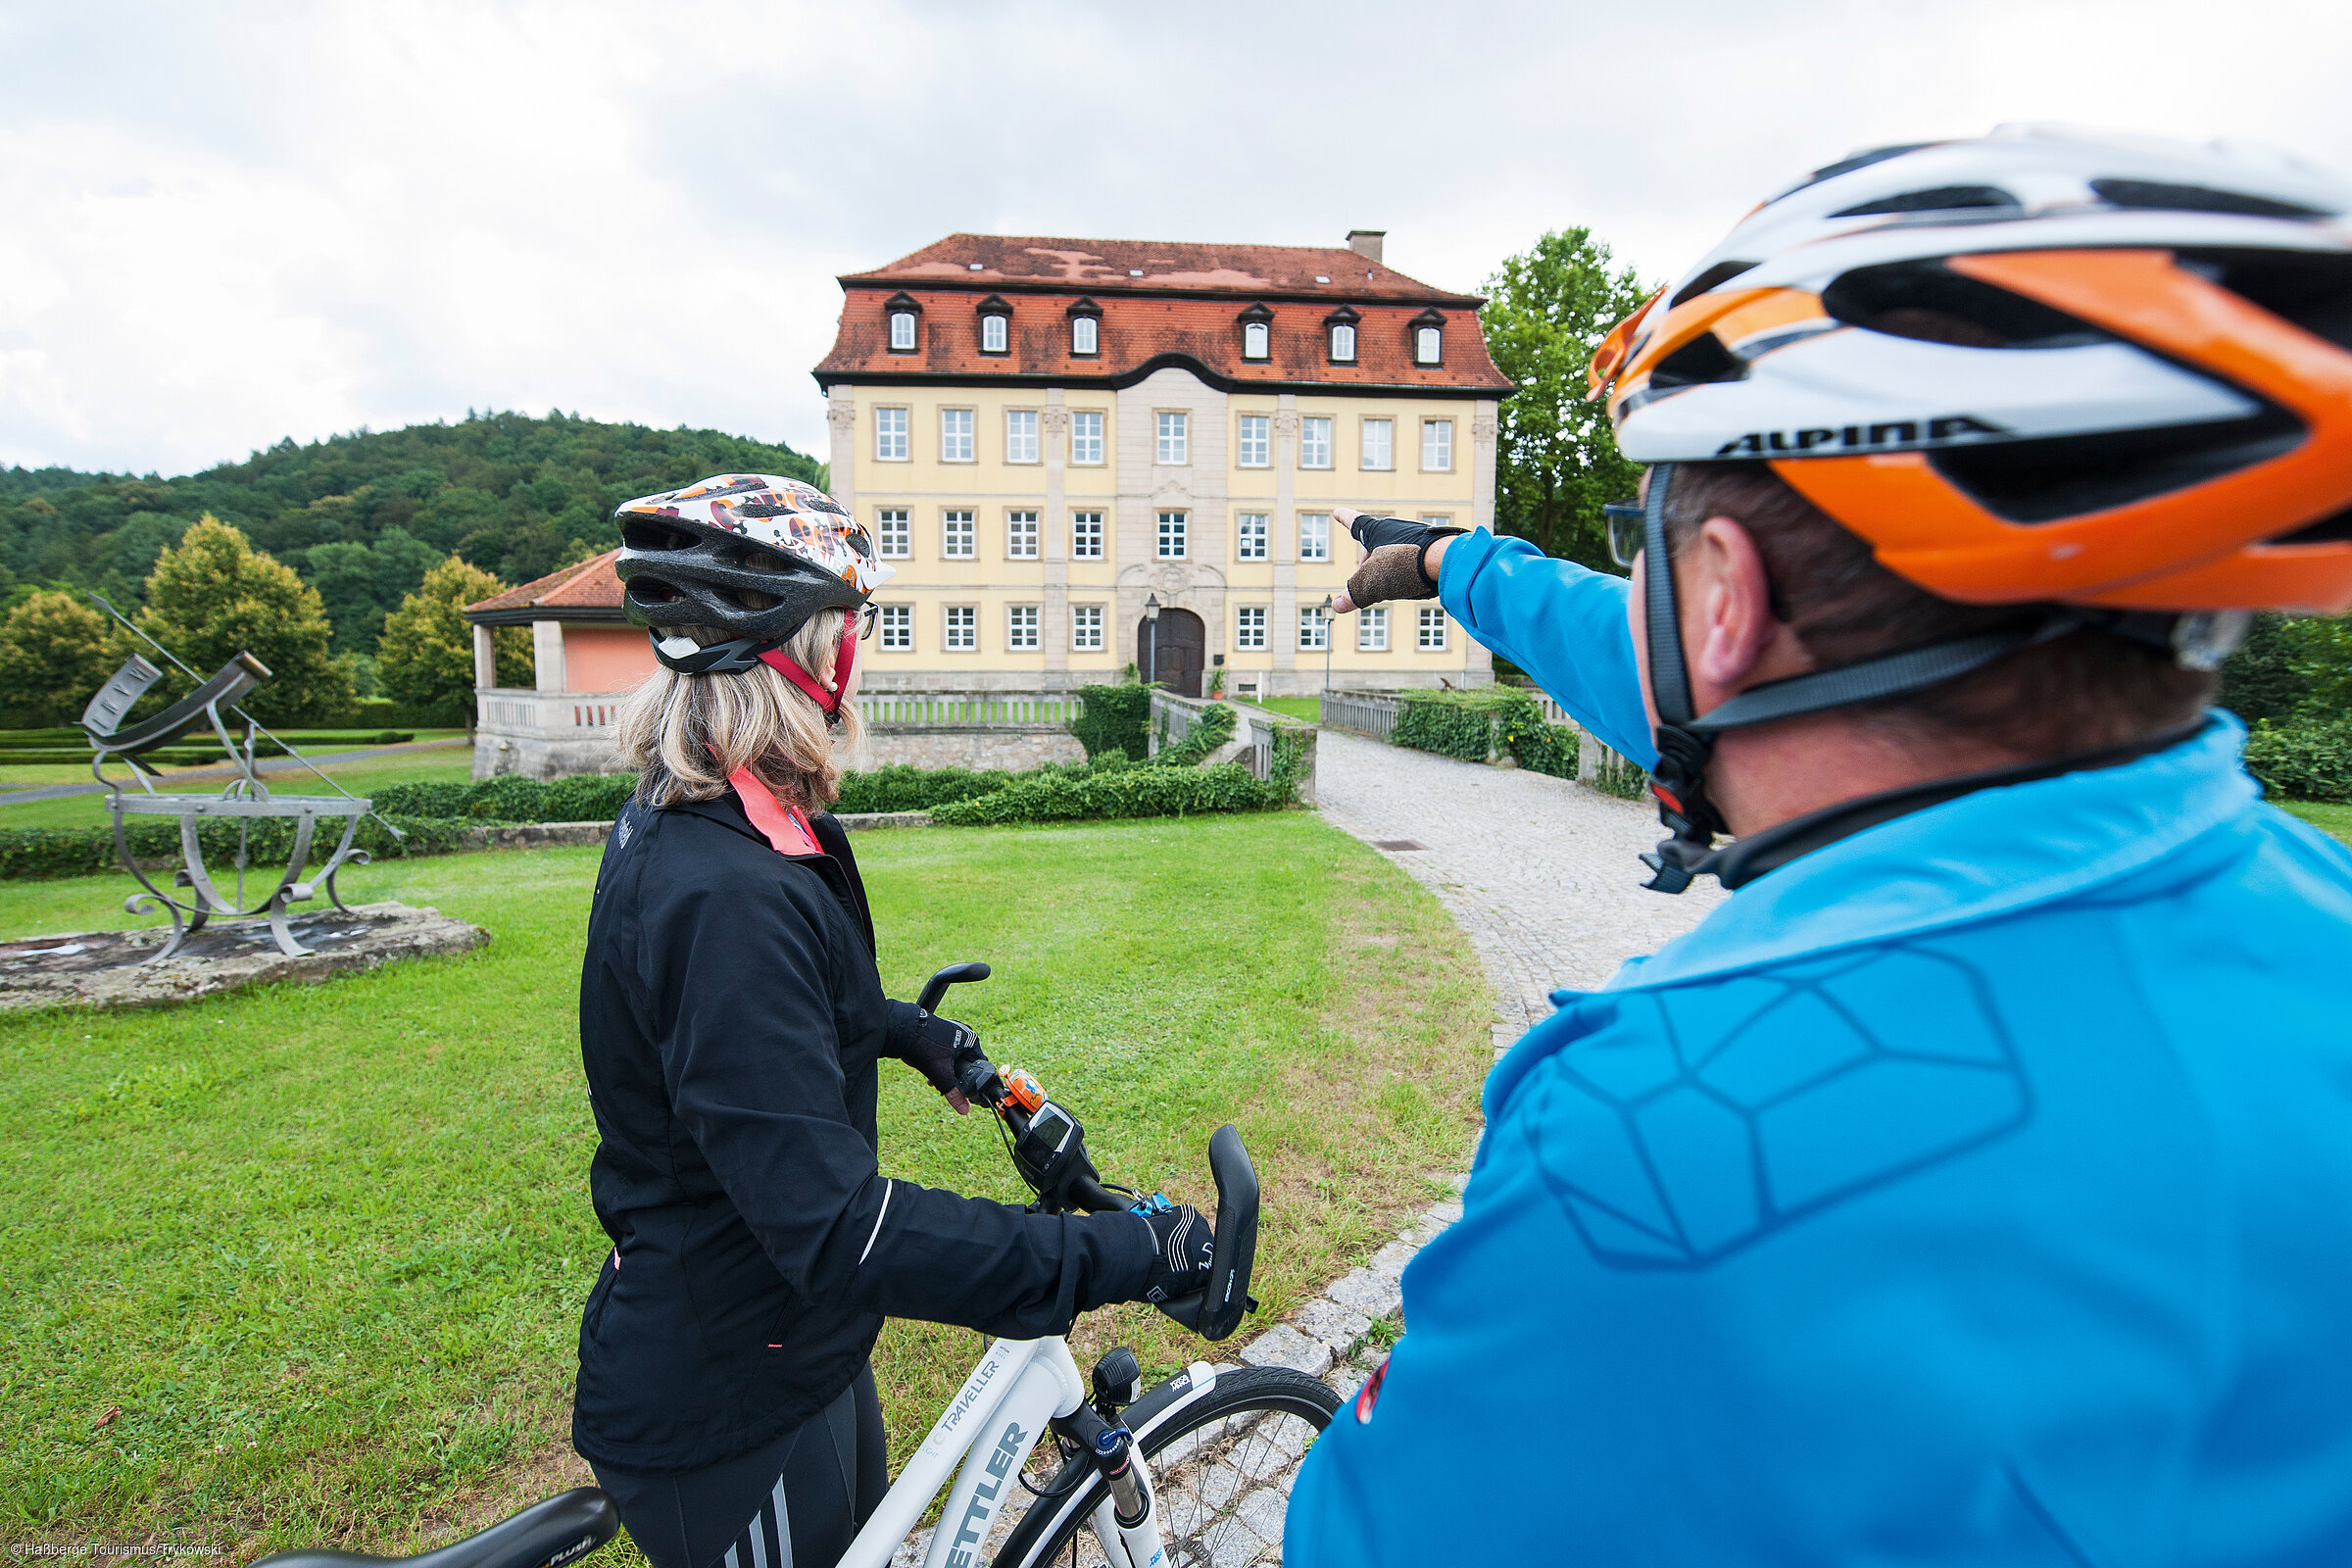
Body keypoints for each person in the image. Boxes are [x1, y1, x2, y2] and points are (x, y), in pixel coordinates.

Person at [1286, 129, 2352, 1564]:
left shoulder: (1650, 1141)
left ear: (1724, 595)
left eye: (1653, 544)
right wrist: (1448, 562)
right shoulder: (2317, 926)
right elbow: (1692, 679)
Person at [569, 474, 1214, 1568]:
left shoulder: (734, 821)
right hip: (728, 1392)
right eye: (849, 632)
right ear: (812, 655)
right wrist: (1121, 1251)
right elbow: (840, 1231)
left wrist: (903, 1032)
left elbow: (769, 1020)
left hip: (794, 1345)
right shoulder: (723, 893)